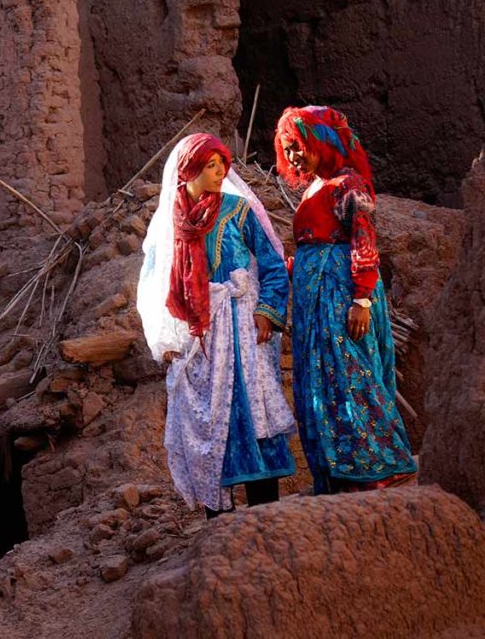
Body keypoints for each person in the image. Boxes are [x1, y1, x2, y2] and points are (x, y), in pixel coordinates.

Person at [137, 133, 295, 517]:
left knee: (252, 407)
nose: (220, 171)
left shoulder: (240, 211)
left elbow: (274, 266)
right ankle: (218, 521)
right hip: (200, 334)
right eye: (210, 166)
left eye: (222, 163)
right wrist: (165, 336)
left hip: (241, 328)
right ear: (188, 171)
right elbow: (154, 279)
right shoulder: (170, 223)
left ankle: (265, 512)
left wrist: (266, 313)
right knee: (205, 416)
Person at [274, 105, 417, 495]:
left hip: (343, 302)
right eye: (287, 150)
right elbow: (312, 247)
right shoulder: (314, 189)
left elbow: (364, 239)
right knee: (321, 381)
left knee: (350, 377)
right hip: (315, 307)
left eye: (298, 146)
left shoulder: (349, 184)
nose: (292, 156)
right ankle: (337, 474)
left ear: (321, 142)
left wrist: (362, 300)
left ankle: (373, 469)